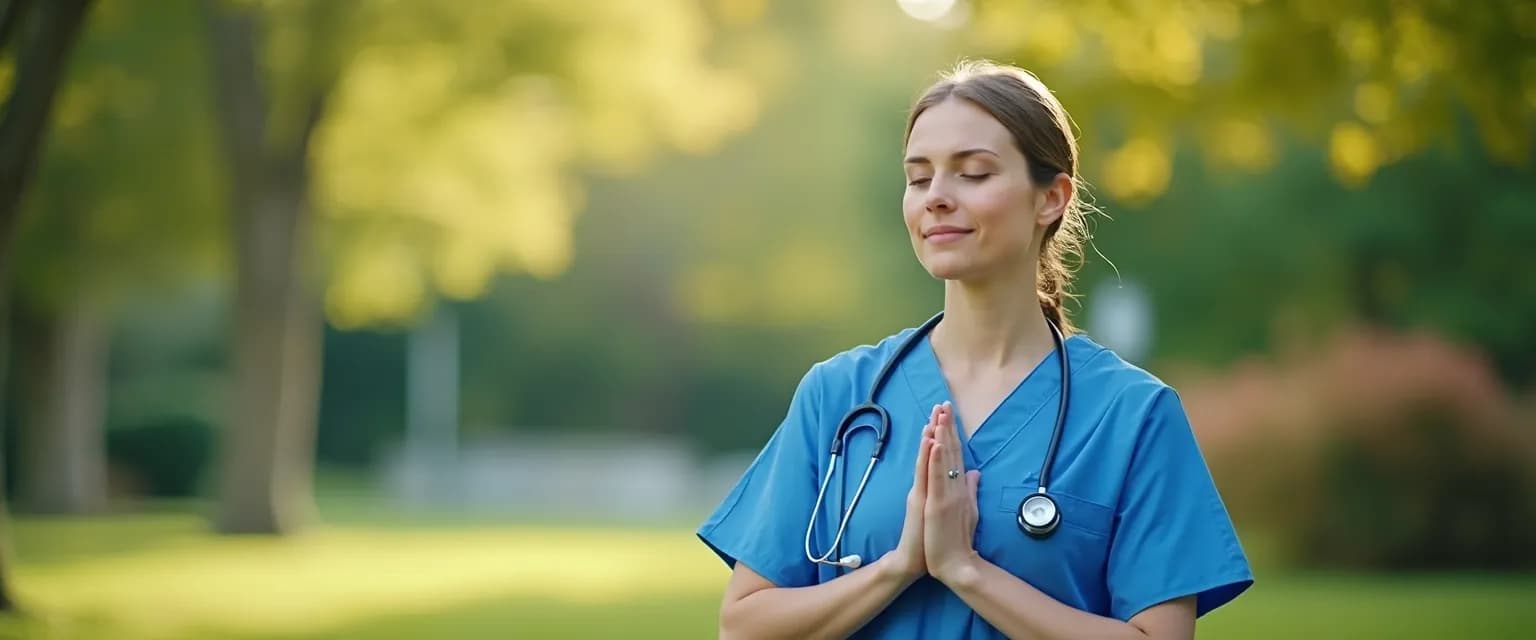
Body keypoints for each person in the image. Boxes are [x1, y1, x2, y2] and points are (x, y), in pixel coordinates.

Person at [696, 60, 1253, 639]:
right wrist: (898, 567)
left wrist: (967, 572)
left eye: (974, 173)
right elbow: (744, 627)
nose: (936, 197)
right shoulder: (838, 395)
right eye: (919, 178)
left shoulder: (1132, 415)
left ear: (1051, 198)